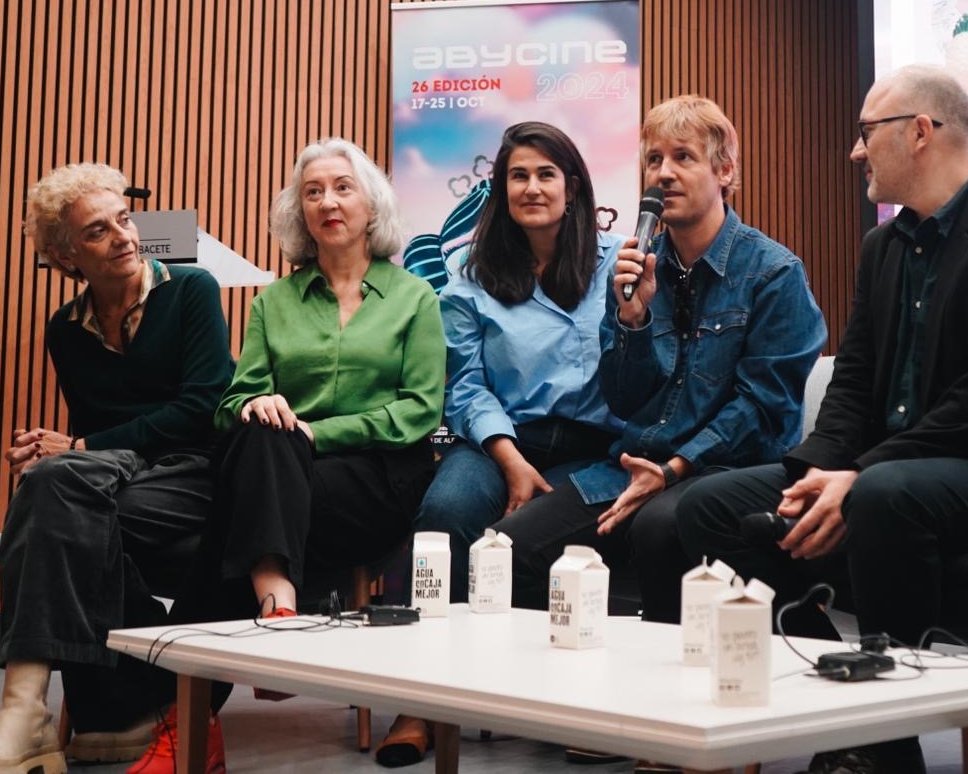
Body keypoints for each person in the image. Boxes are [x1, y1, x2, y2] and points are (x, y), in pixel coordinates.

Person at [678, 66, 968, 774]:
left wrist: (861, 474)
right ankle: (840, 691)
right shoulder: (883, 247)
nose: (855, 150)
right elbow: (853, 384)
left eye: (867, 132)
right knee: (709, 506)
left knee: (884, 496)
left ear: (920, 132)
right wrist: (817, 474)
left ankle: (882, 745)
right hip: (887, 477)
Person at [133, 138, 445, 774]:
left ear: (371, 204)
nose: (327, 202)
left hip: (376, 478)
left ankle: (186, 725)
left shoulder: (416, 298)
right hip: (278, 471)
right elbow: (231, 403)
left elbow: (418, 413)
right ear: (299, 212)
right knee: (260, 430)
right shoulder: (273, 302)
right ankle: (278, 612)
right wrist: (263, 407)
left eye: (342, 188)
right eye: (312, 192)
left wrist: (312, 433)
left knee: (232, 524)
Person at [492, 95, 826, 623]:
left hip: (727, 472)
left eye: (682, 157)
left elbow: (764, 408)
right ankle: (587, 667)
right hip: (634, 468)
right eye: (653, 160)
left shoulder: (773, 273)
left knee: (659, 527)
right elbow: (623, 399)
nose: (663, 173)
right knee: (506, 550)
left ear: (724, 171)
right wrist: (633, 321)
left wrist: (672, 470)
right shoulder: (633, 269)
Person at [0, 165, 233, 774]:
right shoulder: (65, 329)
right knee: (52, 490)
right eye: (98, 231)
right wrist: (56, 452)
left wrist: (77, 448)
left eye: (124, 219)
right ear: (65, 256)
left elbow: (204, 407)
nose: (124, 237)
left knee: (56, 500)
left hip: (197, 472)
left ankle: (47, 713)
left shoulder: (191, 289)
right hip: (120, 475)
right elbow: (92, 431)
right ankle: (114, 708)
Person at [377, 122, 624, 768]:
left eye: (546, 174)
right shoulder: (471, 274)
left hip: (595, 447)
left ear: (573, 187)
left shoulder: (618, 261)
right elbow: (463, 383)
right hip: (499, 440)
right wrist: (510, 459)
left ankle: (557, 694)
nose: (532, 187)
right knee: (445, 514)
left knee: (540, 540)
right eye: (518, 176)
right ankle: (422, 698)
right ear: (501, 188)